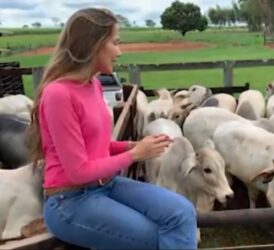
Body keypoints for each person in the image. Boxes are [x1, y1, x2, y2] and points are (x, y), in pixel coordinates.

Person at [26, 7, 197, 250]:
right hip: (70, 202)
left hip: (105, 185)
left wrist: (131, 145)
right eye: (115, 42)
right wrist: (136, 155)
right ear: (93, 44)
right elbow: (78, 171)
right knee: (156, 237)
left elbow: (95, 145)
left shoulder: (93, 84)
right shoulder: (58, 95)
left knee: (182, 211)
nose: (119, 51)